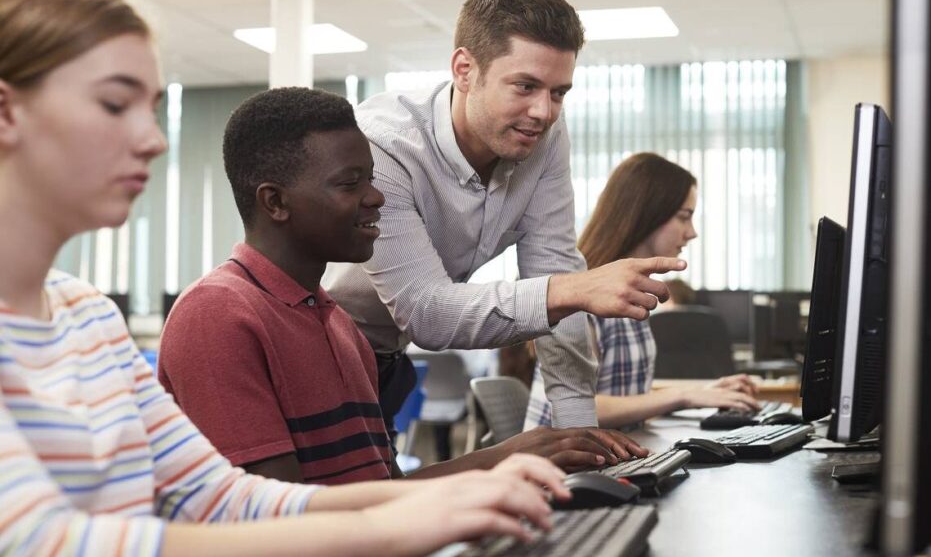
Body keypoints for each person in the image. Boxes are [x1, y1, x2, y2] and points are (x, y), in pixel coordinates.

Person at [0, 0, 567, 557]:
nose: (154, 140)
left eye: (154, 109)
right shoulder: (215, 312)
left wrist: (457, 491)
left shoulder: (86, 318)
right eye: (113, 104)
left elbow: (221, 497)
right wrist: (383, 528)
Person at [159, 87, 649, 482]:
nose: (377, 197)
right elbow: (277, 523)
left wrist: (513, 456)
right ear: (275, 202)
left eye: (371, 178)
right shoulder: (218, 316)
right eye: (351, 184)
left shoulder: (337, 323)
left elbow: (382, 489)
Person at [323, 0, 681, 438]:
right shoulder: (383, 146)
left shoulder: (542, 134)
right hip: (315, 354)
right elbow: (426, 312)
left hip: (388, 358)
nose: (544, 112)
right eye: (526, 86)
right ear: (464, 69)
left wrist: (581, 437)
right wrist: (569, 290)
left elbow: (553, 263)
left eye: (558, 92)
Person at [525, 153, 761, 430]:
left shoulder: (632, 294)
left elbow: (626, 400)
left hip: (610, 458)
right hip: (557, 467)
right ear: (648, 215)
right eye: (684, 217)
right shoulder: (582, 293)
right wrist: (682, 396)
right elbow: (574, 409)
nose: (692, 232)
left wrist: (707, 391)